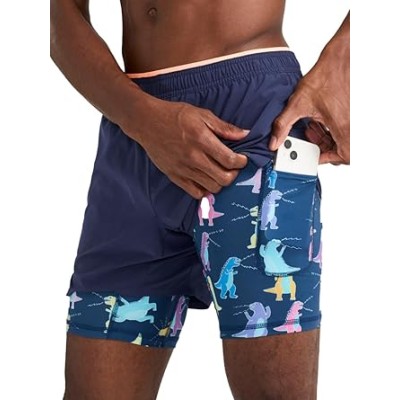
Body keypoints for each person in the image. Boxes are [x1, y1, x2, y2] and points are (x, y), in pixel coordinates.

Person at [50, 1, 350, 399]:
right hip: (129, 127)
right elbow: (62, 22)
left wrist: (341, 60)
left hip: (251, 127)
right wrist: (140, 118)